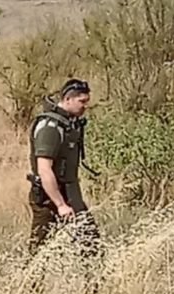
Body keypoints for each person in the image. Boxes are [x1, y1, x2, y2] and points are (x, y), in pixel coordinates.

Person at [26, 78, 102, 258]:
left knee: (91, 245)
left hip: (69, 194)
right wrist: (60, 205)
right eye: (82, 101)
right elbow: (44, 169)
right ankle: (28, 278)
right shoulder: (50, 127)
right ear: (68, 99)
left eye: (87, 101)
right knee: (39, 253)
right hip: (48, 198)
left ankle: (92, 277)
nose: (85, 106)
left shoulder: (68, 123)